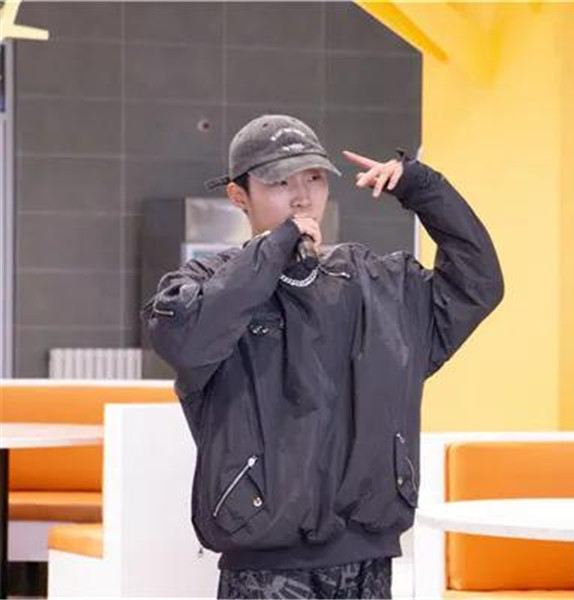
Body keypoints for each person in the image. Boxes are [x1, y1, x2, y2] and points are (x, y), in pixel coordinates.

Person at [141, 114, 504, 599]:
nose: (301, 197)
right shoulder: (206, 285)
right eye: (279, 182)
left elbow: (478, 282)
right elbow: (187, 339)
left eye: (313, 178)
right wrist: (276, 249)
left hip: (368, 556)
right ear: (238, 195)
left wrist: (423, 188)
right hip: (264, 565)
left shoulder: (375, 284)